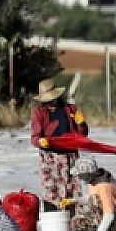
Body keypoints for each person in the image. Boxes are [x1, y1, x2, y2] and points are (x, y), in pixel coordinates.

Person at [30, 78, 88, 211]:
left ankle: (74, 226)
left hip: (70, 157)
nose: (50, 103)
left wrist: (81, 123)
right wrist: (40, 141)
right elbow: (34, 137)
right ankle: (54, 223)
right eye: (47, 101)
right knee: (52, 193)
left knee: (72, 193)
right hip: (50, 159)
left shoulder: (70, 110)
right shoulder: (40, 113)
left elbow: (82, 135)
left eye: (51, 100)